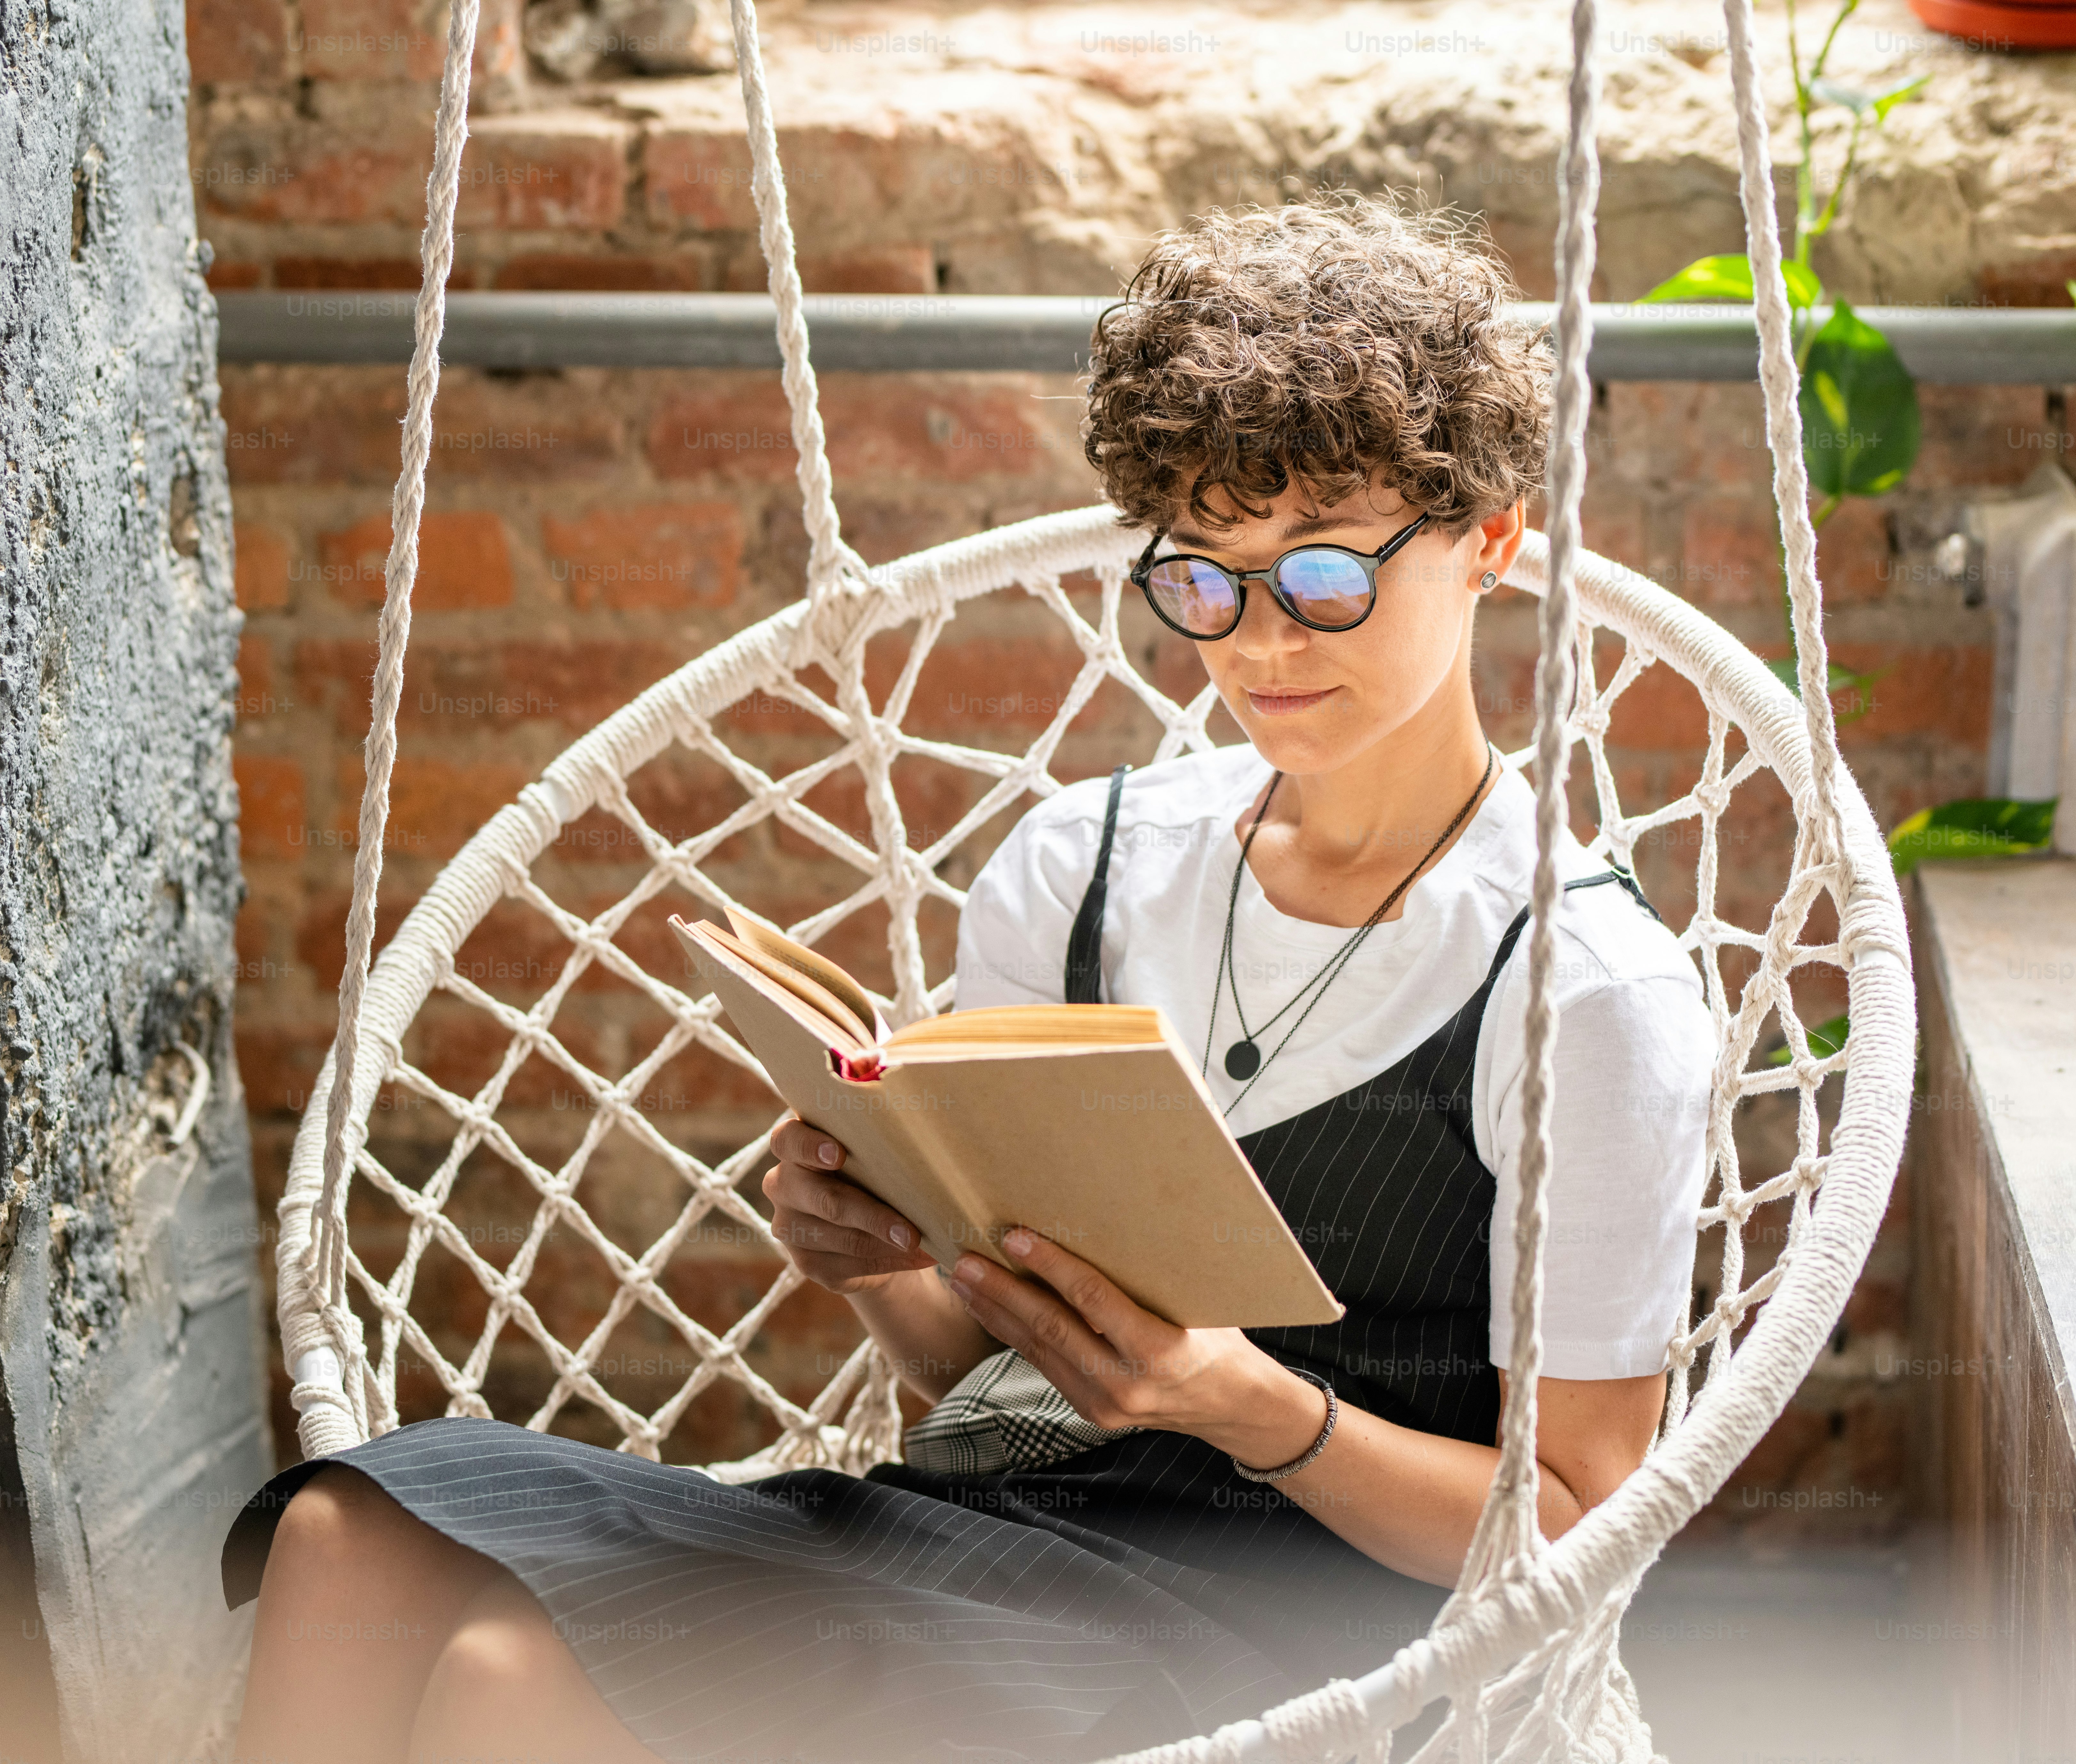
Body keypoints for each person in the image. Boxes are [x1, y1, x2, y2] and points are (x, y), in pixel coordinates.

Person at [219, 194, 1713, 1764]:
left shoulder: (1583, 992)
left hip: (1295, 1637)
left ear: (1487, 543)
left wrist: (1245, 1403)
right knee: (343, 1538)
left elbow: (1571, 1527)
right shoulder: (1086, 866)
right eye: (1203, 579)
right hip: (985, 1528)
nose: (1262, 640)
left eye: (1326, 576)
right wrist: (875, 1259)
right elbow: (979, 1380)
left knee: (512, 1681)